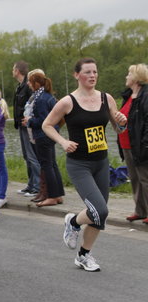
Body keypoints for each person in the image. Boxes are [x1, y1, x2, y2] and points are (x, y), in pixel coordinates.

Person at [42, 57, 127, 272]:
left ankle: (83, 255)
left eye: (95, 72)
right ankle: (73, 223)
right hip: (79, 164)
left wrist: (122, 123)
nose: (92, 76)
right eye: (87, 72)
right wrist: (62, 142)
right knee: (99, 209)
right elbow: (47, 125)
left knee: (100, 214)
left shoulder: (106, 99)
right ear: (76, 75)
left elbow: (117, 129)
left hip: (101, 162)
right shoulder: (67, 102)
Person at [25, 72, 64, 207]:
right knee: (52, 164)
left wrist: (30, 121)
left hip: (43, 135)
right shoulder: (49, 97)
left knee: (46, 165)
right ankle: (58, 195)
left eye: (30, 82)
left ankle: (52, 196)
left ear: (36, 83)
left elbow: (43, 120)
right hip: (52, 134)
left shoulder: (40, 99)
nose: (28, 84)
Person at [118, 64, 148, 224]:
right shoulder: (129, 96)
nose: (126, 77)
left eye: (129, 74)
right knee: (135, 179)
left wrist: (145, 145)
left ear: (136, 78)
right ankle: (140, 210)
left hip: (140, 146)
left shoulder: (146, 96)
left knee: (145, 179)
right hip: (127, 144)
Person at [13, 61, 40, 197]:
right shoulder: (20, 86)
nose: (12, 71)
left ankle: (36, 186)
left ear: (17, 70)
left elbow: (34, 103)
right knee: (26, 156)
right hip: (21, 125)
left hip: (28, 126)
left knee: (32, 155)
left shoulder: (28, 86)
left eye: (13, 69)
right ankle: (30, 185)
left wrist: (29, 119)